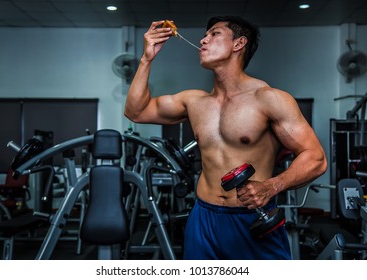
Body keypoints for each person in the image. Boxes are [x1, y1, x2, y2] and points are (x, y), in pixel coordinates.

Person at [124, 15, 327, 260]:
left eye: (214, 34)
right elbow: (135, 111)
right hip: (203, 218)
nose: (203, 40)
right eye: (205, 35)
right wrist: (147, 58)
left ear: (238, 44)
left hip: (251, 217)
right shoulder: (194, 101)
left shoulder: (269, 99)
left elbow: (316, 158)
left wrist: (271, 186)